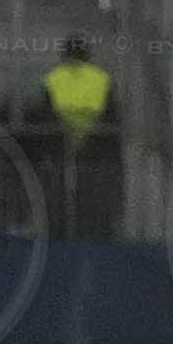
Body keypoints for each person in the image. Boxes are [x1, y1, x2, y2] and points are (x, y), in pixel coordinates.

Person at [38, 35, 116, 241]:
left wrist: (68, 134)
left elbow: (45, 115)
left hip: (69, 148)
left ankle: (62, 239)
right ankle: (88, 238)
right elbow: (110, 116)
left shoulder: (53, 78)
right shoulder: (101, 79)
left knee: (65, 201)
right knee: (87, 202)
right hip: (88, 149)